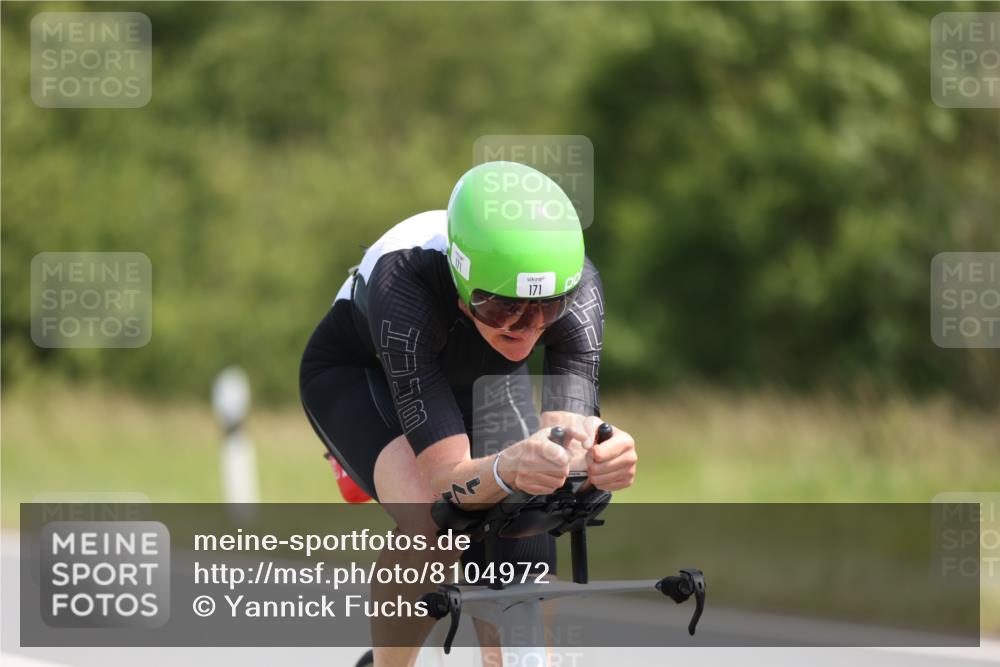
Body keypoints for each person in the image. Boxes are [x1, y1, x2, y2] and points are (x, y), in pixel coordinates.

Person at [299, 161, 637, 666]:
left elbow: (568, 447)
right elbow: (445, 481)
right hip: (366, 375)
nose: (526, 331)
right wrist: (504, 469)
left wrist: (599, 465)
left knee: (524, 527)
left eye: (547, 310)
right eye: (502, 309)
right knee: (435, 524)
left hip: (482, 382)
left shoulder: (579, 288)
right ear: (461, 280)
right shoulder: (405, 281)